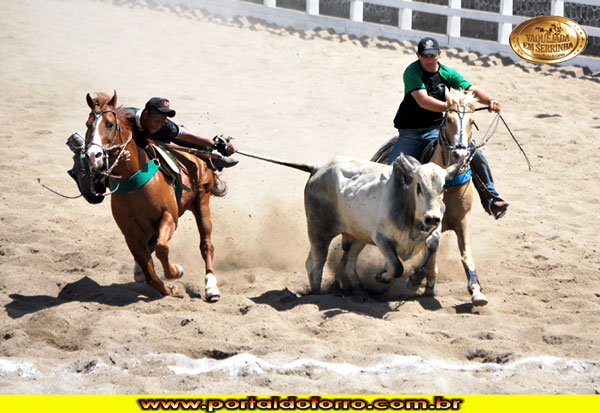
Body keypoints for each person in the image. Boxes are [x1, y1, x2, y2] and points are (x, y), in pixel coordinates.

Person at [389, 37, 508, 219]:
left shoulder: (447, 73)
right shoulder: (412, 72)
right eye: (425, 56)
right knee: (392, 169)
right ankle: (390, 210)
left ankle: (491, 198)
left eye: (433, 55)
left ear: (439, 54)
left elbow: (470, 90)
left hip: (437, 129)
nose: (429, 60)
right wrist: (452, 107)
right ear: (418, 56)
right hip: (411, 133)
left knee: (475, 153)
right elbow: (423, 101)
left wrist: (490, 100)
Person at [123, 97, 237, 170]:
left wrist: (215, 145)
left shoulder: (164, 126)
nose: (159, 126)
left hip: (157, 140)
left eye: (162, 121)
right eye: (157, 121)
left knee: (187, 141)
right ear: (146, 114)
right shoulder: (125, 118)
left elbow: (189, 136)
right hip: (128, 145)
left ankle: (213, 159)